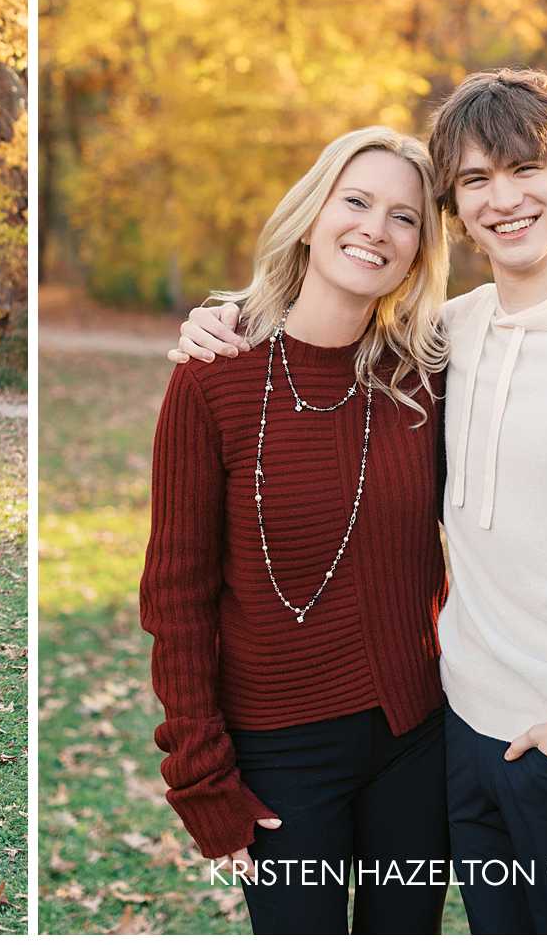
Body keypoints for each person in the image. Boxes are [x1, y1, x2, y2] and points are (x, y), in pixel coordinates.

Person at [173, 68, 547, 933]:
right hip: (463, 739)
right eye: (477, 180)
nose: (504, 199)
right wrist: (220, 318)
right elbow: (325, 327)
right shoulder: (455, 337)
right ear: (456, 206)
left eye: (528, 170)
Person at [142, 128, 455, 934]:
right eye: (356, 202)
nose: (375, 230)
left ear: (422, 251)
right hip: (279, 753)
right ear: (312, 216)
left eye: (405, 218)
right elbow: (176, 596)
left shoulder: (429, 375)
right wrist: (200, 777)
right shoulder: (213, 374)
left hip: (416, 740)